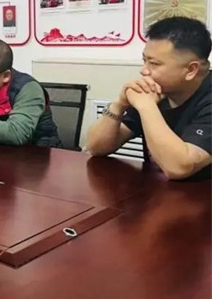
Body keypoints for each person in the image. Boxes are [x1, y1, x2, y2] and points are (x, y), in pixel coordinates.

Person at [87, 17, 211, 180]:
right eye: (144, 60)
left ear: (191, 70)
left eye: (154, 63)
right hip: (156, 191)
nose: (144, 71)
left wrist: (146, 107)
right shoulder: (156, 91)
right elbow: (96, 148)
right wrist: (119, 104)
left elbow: (179, 168)